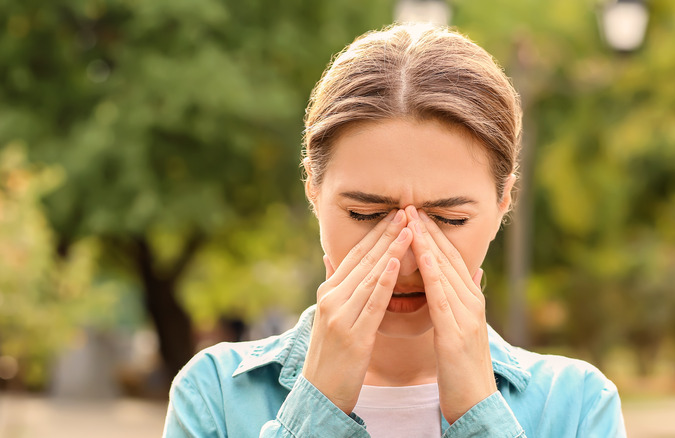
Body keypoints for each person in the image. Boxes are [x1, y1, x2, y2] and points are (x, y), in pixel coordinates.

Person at [163, 23, 626, 438]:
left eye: (449, 220)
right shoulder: (215, 395)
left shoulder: (577, 406)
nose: (406, 257)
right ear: (314, 194)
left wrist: (481, 415)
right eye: (366, 214)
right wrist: (315, 411)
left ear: (504, 201)